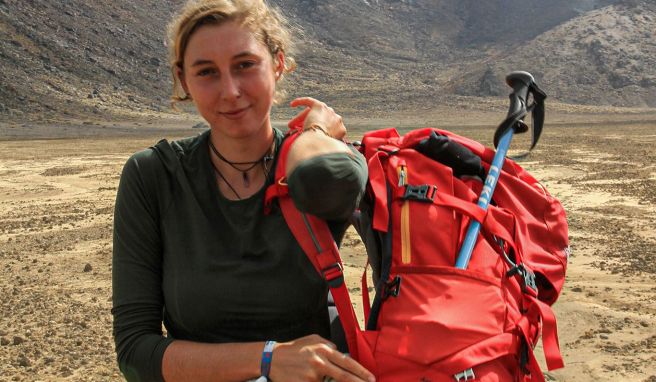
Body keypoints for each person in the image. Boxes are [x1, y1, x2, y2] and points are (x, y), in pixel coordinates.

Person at [111, 0, 375, 381]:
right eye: (206, 72)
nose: (230, 91)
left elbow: (336, 180)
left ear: (279, 63)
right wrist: (269, 359)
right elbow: (135, 351)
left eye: (245, 65)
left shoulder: (309, 168)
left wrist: (313, 136)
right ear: (184, 80)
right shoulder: (155, 175)